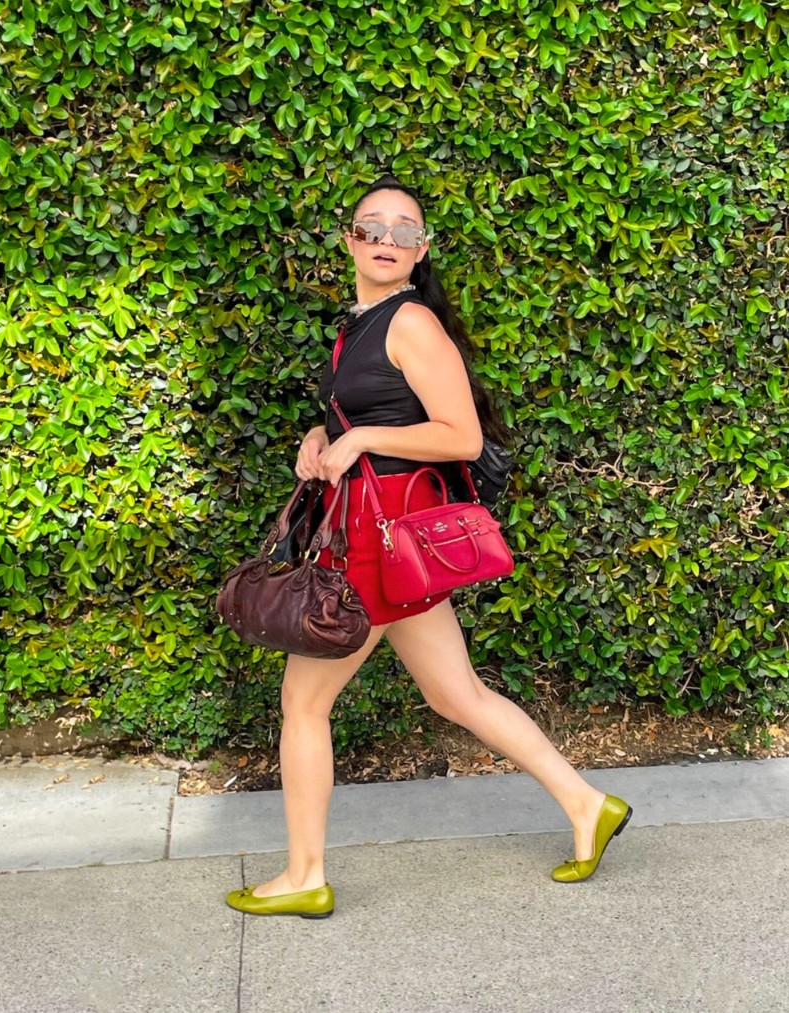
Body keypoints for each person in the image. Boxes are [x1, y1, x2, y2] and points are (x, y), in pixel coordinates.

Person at [226, 175, 632, 919]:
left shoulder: (409, 322)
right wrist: (321, 436)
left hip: (379, 544)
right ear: (348, 238)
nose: (386, 239)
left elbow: (461, 436)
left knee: (303, 702)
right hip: (383, 537)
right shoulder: (361, 323)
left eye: (404, 230)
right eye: (371, 226)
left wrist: (363, 439)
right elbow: (365, 414)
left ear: (422, 250)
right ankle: (586, 802)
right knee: (456, 693)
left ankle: (304, 874)